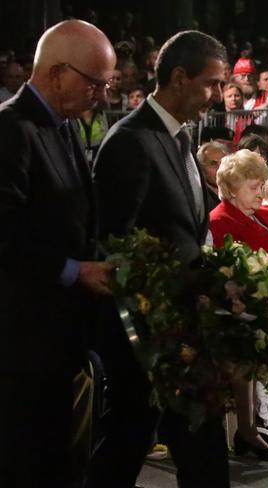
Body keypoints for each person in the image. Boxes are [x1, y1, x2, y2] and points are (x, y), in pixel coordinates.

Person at [90, 30, 231, 488]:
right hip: (146, 337)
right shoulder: (130, 141)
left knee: (195, 441)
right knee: (127, 439)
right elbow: (115, 243)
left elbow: (189, 228)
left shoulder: (179, 139)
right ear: (178, 77)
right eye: (210, 83)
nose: (216, 95)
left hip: (183, 328)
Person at [0, 19, 116, 487]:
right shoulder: (11, 130)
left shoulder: (62, 125)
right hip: (21, 345)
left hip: (59, 341)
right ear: (58, 73)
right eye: (96, 83)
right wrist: (73, 270)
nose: (103, 96)